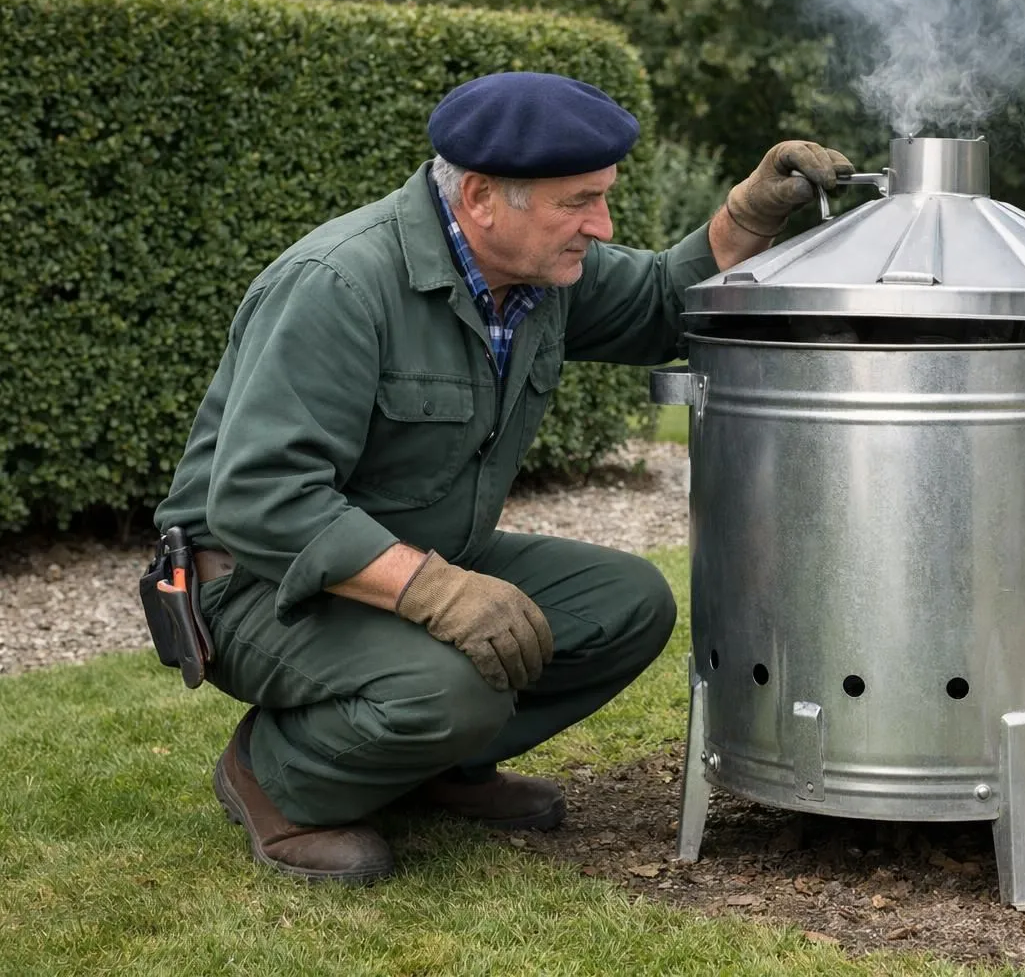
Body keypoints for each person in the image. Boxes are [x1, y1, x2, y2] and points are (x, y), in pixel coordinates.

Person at [152, 71, 854, 884]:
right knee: (456, 688)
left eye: (603, 197)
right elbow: (259, 499)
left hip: (411, 561)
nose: (602, 224)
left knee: (625, 605)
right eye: (578, 202)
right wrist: (437, 592)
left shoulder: (534, 278)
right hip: (253, 584)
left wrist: (748, 215)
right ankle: (277, 782)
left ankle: (425, 772)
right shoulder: (339, 285)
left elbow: (666, 300)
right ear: (483, 197)